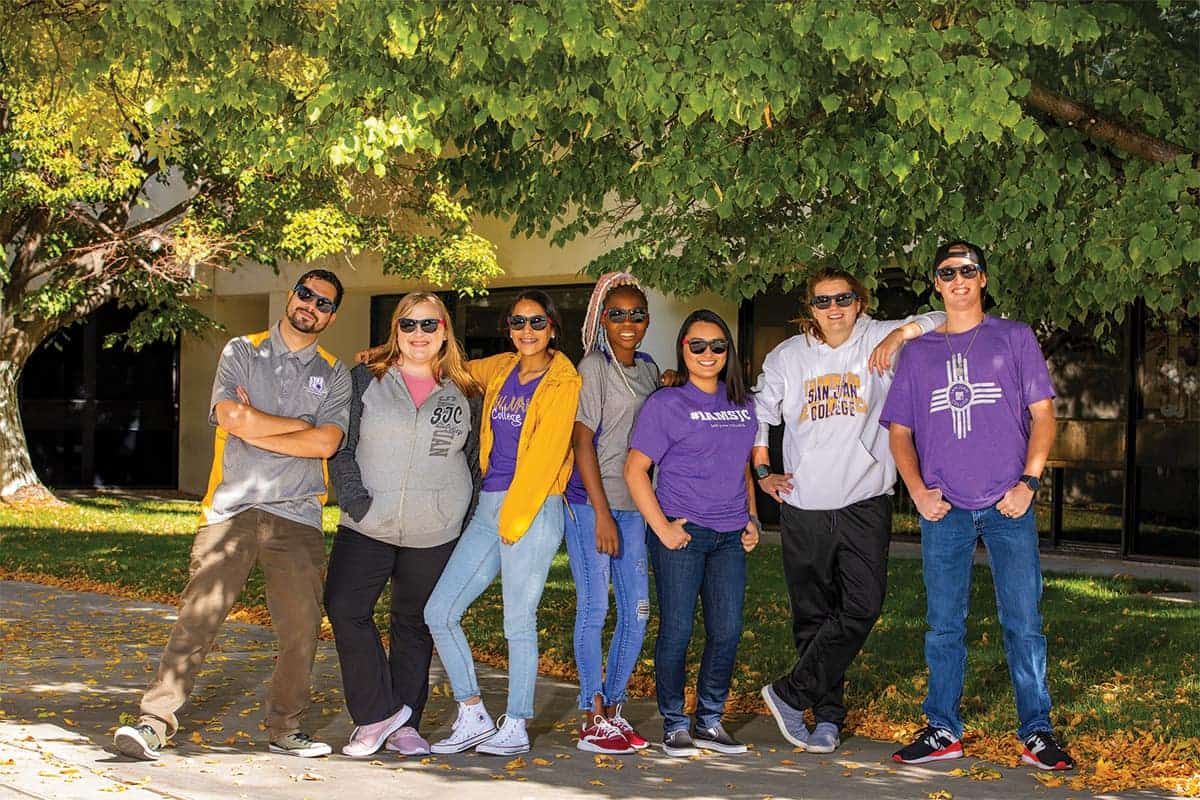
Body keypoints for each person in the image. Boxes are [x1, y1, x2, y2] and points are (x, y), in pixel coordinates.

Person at [114, 270, 351, 761]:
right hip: (232, 510)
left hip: (298, 516)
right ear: (291, 296)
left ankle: (285, 728)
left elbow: (327, 442)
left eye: (324, 303)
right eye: (305, 294)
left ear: (331, 316)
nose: (312, 306)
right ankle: (154, 722)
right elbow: (230, 417)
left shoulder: (334, 373)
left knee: (301, 631)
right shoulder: (242, 350)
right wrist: (295, 429)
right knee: (197, 620)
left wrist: (259, 429)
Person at [880, 240, 1074, 771]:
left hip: (1009, 502)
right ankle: (943, 728)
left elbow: (1044, 415)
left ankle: (1036, 731)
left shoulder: (1013, 337)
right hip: (946, 509)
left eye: (968, 270)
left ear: (983, 278)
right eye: (948, 272)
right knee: (943, 624)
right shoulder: (918, 354)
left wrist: (1029, 483)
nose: (959, 279)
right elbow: (900, 434)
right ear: (936, 284)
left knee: (1024, 622)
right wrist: (918, 491)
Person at [755, 269, 945, 754]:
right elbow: (761, 415)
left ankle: (790, 693)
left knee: (862, 606)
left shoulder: (880, 336)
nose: (833, 309)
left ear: (859, 302)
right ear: (810, 307)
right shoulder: (788, 355)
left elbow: (946, 316)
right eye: (823, 302)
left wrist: (903, 332)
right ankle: (826, 718)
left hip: (865, 500)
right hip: (804, 504)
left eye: (843, 299)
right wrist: (762, 471)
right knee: (813, 617)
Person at [423, 290, 581, 756]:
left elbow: (547, 456)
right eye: (517, 323)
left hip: (533, 507)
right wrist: (384, 354)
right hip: (491, 504)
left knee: (518, 620)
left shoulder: (562, 380)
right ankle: (472, 713)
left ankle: (516, 723)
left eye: (536, 323)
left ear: (552, 326)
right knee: (440, 611)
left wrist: (514, 523)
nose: (526, 332)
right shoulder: (503, 367)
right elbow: (451, 368)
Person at [325, 292, 483, 758]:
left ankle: (406, 724)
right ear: (395, 330)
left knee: (412, 624)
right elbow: (343, 445)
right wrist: (355, 500)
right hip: (367, 522)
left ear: (445, 331)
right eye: (409, 325)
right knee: (344, 607)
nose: (419, 334)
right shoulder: (365, 379)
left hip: (436, 529)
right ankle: (378, 714)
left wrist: (464, 518)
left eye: (429, 325)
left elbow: (474, 463)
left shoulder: (468, 391)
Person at [624, 309, 760, 758]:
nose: (708, 354)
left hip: (728, 537)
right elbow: (636, 470)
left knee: (727, 630)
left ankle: (709, 720)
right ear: (683, 350)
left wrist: (752, 519)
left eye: (717, 346)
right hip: (682, 534)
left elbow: (741, 467)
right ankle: (675, 723)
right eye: (697, 345)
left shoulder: (742, 403)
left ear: (728, 352)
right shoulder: (667, 404)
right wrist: (661, 528)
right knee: (678, 630)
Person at [564, 273, 659, 754]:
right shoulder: (594, 366)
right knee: (595, 607)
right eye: (617, 313)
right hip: (590, 503)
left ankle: (615, 712)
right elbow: (582, 440)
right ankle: (589, 712)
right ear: (604, 319)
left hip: (635, 505)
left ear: (647, 320)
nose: (628, 322)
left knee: (638, 611)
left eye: (636, 313)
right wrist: (600, 513)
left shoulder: (648, 368)